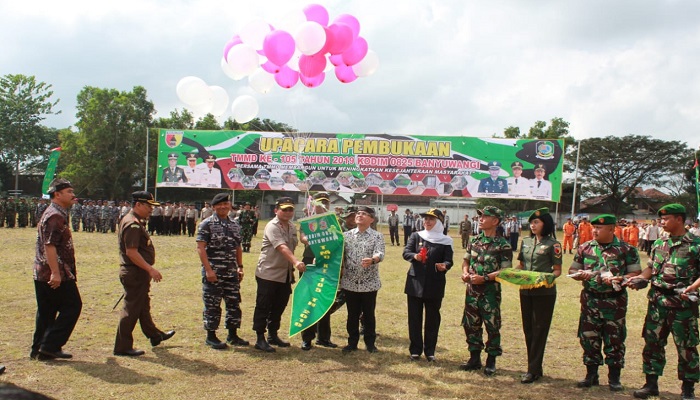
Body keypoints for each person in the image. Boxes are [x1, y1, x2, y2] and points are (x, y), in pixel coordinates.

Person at [631, 204, 700, 400]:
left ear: (680, 219)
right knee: (652, 344)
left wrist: (693, 287)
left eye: (666, 219)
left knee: (686, 347)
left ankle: (688, 389)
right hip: (657, 302)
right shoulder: (659, 243)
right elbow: (651, 269)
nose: (662, 222)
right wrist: (641, 279)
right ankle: (651, 385)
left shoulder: (695, 244)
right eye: (661, 219)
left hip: (682, 304)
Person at [569, 214, 641, 391]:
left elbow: (636, 273)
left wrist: (621, 278)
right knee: (589, 338)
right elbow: (572, 269)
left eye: (599, 228)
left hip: (614, 302)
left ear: (611, 229)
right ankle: (591, 374)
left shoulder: (626, 250)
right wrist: (580, 275)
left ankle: (614, 378)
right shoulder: (585, 248)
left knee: (614, 339)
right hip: (590, 300)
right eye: (593, 228)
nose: (594, 231)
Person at [114, 191, 175, 357]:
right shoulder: (132, 223)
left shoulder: (133, 220)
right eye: (148, 206)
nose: (151, 210)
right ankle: (122, 346)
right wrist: (150, 269)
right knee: (131, 309)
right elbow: (132, 252)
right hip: (135, 271)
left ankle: (155, 335)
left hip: (137, 272)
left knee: (142, 305)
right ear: (138, 204)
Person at [30, 179, 82, 360]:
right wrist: (55, 272)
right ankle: (50, 345)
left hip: (43, 272)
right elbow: (49, 246)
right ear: (57, 194)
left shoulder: (56, 212)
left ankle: (39, 349)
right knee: (73, 306)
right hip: (54, 273)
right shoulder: (55, 216)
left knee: (47, 312)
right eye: (69, 191)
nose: (72, 194)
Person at [459, 206, 512, 376]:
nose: (480, 219)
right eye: (479, 216)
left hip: (490, 292)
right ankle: (474, 359)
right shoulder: (474, 241)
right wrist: (465, 273)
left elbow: (505, 271)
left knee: (492, 325)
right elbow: (466, 261)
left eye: (484, 217)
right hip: (472, 291)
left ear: (495, 221)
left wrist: (486, 278)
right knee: (470, 324)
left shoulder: (503, 244)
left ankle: (491, 360)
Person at [252, 197, 306, 353]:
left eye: (290, 209)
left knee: (279, 306)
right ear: (276, 210)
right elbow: (282, 247)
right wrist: (296, 262)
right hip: (268, 273)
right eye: (284, 209)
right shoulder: (272, 226)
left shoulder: (291, 226)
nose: (288, 212)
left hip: (285, 274)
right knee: (264, 306)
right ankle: (259, 338)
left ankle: (272, 335)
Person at [196, 193, 248, 350]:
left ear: (230, 206)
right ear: (213, 207)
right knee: (212, 304)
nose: (223, 207)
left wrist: (240, 266)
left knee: (234, 303)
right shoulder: (207, 224)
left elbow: (238, 247)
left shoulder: (234, 224)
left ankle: (233, 335)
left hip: (231, 272)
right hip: (214, 272)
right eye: (219, 204)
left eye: (226, 204)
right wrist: (208, 270)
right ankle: (211, 336)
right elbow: (200, 248)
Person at [516, 208, 562, 383]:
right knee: (528, 329)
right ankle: (535, 367)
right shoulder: (526, 241)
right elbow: (521, 265)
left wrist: (546, 277)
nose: (533, 225)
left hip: (544, 292)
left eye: (537, 222)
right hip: (526, 289)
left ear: (546, 224)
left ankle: (532, 369)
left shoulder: (553, 245)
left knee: (540, 329)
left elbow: (557, 271)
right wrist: (510, 273)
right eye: (532, 223)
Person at [403, 208, 453, 362]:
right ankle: (415, 350)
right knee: (414, 318)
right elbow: (406, 252)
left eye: (431, 219)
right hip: (415, 282)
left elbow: (449, 260)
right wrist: (415, 256)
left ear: (439, 222)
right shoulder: (416, 235)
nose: (427, 222)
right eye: (425, 219)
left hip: (435, 283)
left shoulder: (446, 241)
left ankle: (430, 351)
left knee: (432, 318)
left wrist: (444, 265)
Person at [341, 206, 385, 353]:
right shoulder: (346, 236)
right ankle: (352, 342)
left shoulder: (377, 236)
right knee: (352, 314)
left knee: (368, 314)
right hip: (350, 282)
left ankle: (370, 343)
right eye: (358, 213)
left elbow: (380, 252)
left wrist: (373, 259)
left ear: (371, 219)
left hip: (369, 283)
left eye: (364, 214)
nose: (360, 215)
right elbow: (338, 254)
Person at [300, 192, 338, 350]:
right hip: (310, 262)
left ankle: (324, 338)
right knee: (309, 301)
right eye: (320, 203)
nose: (323, 206)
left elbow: (338, 240)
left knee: (325, 301)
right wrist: (313, 238)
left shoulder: (333, 222)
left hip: (327, 263)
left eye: (326, 203)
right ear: (313, 205)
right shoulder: (307, 221)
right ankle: (307, 338)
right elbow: (303, 238)